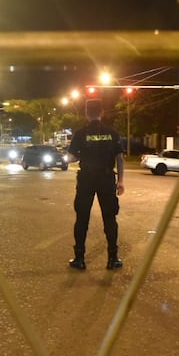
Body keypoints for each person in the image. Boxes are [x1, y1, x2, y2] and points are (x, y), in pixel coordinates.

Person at [66, 99, 125, 270]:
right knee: (110, 219)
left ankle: (79, 258)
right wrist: (120, 181)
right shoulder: (112, 133)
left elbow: (71, 158)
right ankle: (112, 258)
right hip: (106, 180)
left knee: (82, 219)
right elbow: (119, 159)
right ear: (102, 112)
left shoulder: (80, 134)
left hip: (86, 180)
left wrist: (79, 157)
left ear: (86, 112)